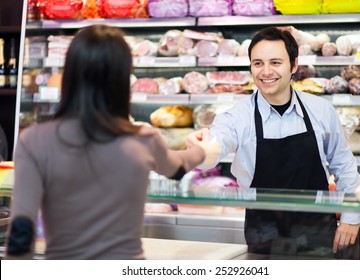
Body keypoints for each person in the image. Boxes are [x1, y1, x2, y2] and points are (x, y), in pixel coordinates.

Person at [5, 24, 215, 260]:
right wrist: (202, 150)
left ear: (70, 72)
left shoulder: (34, 141)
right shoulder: (143, 139)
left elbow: (22, 227)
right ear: (122, 78)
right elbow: (177, 167)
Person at [186, 26, 360, 258]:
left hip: (318, 230)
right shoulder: (236, 117)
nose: (266, 71)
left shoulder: (320, 110)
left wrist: (351, 217)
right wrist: (201, 152)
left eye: (276, 62)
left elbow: (343, 164)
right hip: (264, 234)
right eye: (258, 63)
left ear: (294, 66)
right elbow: (215, 148)